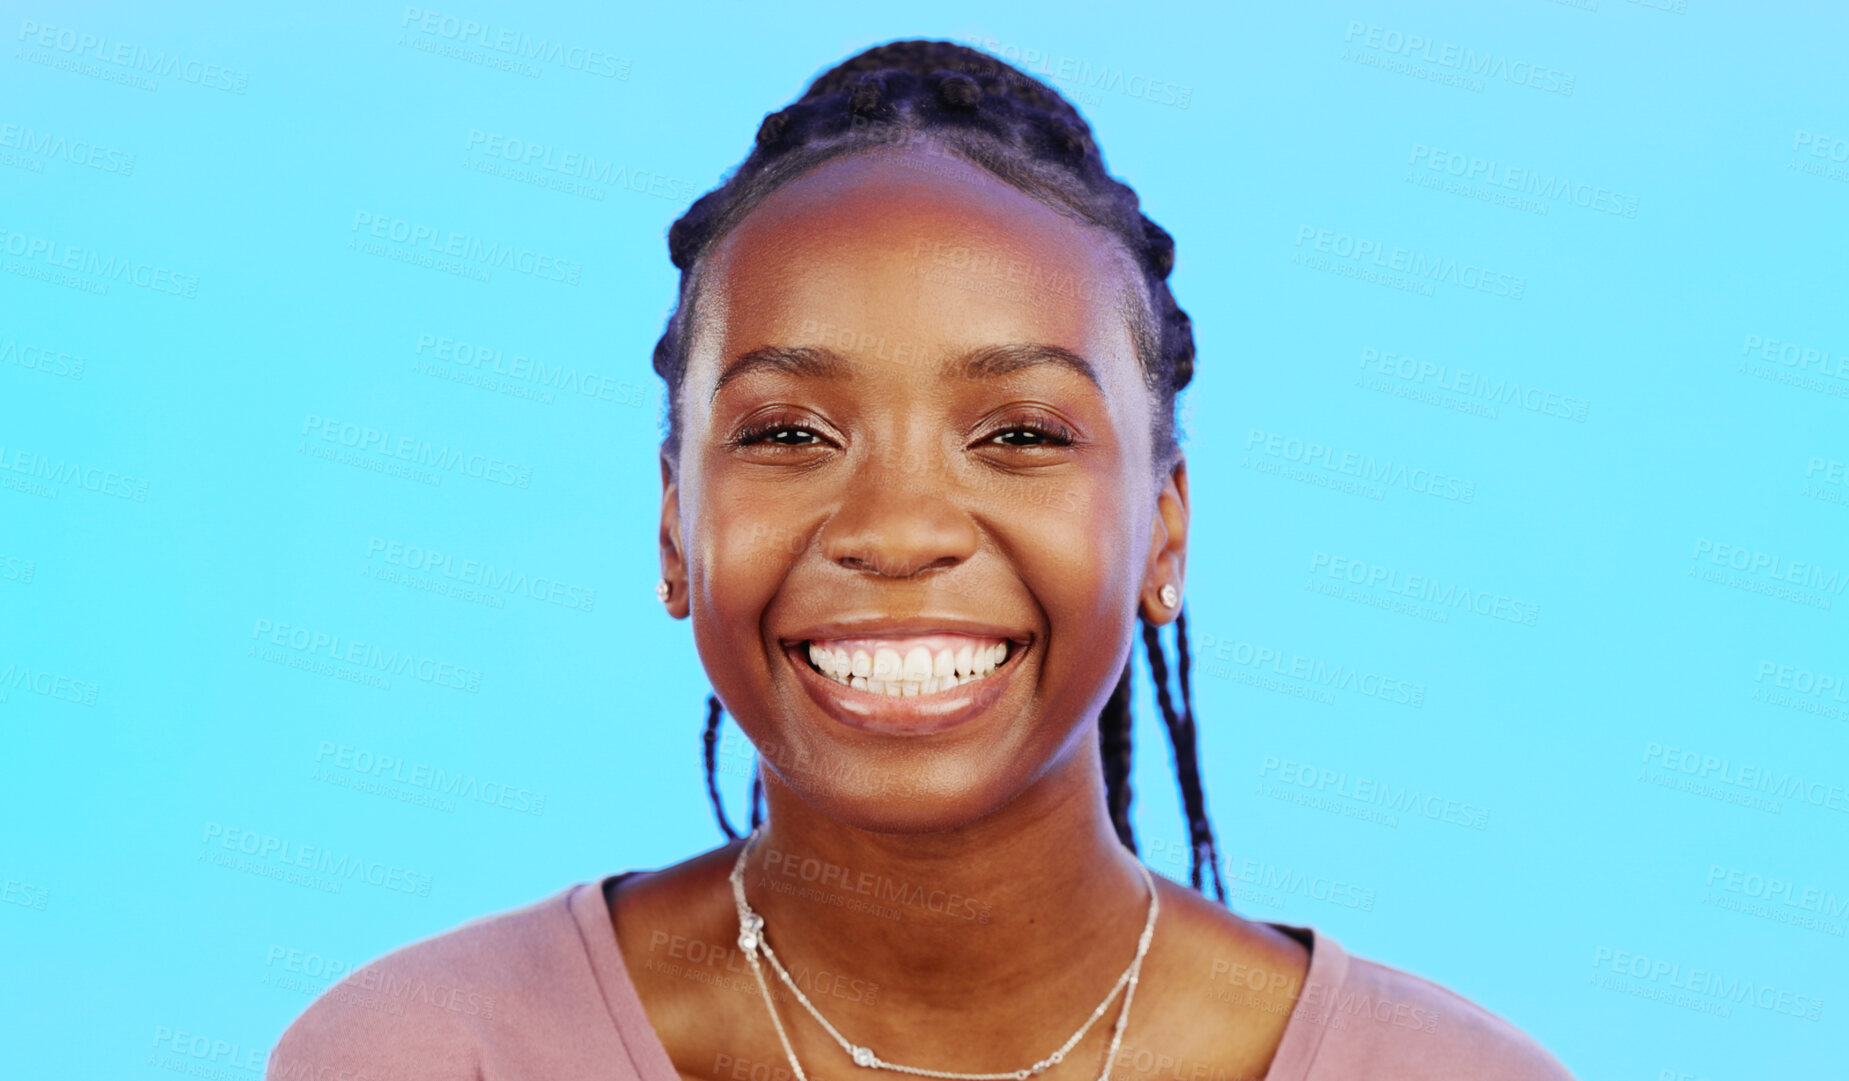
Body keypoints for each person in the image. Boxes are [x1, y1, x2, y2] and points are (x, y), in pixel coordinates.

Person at [267, 39, 1576, 1081]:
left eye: (1017, 432)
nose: (895, 528)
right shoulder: (428, 1053)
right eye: (788, 430)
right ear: (675, 524)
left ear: (1162, 529)